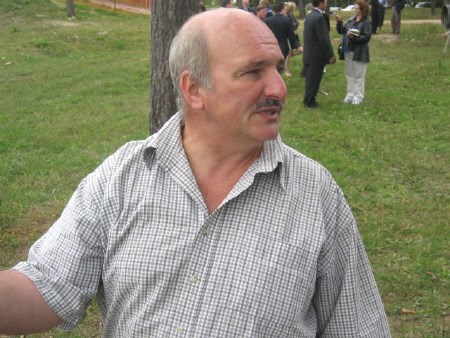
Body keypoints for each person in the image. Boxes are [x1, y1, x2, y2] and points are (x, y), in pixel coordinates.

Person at [0, 8, 391, 337]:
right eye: (253, 72)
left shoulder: (315, 193)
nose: (279, 87)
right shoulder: (123, 175)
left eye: (278, 67)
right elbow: (47, 287)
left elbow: (357, 326)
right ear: (194, 90)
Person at [336, 0, 372, 105]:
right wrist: (339, 23)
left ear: (362, 10)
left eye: (357, 8)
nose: (355, 10)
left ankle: (358, 97)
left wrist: (354, 37)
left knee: (359, 75)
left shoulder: (366, 22)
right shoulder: (351, 20)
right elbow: (343, 31)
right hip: (348, 51)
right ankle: (350, 95)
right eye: (354, 8)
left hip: (359, 52)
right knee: (349, 74)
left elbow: (366, 37)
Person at [302, 0, 336, 108]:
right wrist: (330, 55)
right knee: (314, 79)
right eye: (325, 2)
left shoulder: (310, 15)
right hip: (316, 54)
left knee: (310, 79)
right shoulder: (319, 17)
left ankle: (308, 98)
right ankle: (310, 101)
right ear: (320, 3)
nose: (326, 4)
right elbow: (323, 39)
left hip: (309, 52)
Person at [265, 1, 303, 75]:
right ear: (282, 9)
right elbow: (291, 35)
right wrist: (295, 45)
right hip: (283, 45)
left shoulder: (268, 20)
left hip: (272, 45)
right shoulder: (287, 20)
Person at [284, 2, 302, 76]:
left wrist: (295, 24)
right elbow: (291, 26)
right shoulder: (287, 16)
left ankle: (285, 58)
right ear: (291, 8)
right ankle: (286, 70)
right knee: (289, 51)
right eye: (294, 7)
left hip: (294, 36)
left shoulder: (291, 15)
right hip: (289, 37)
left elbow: (296, 23)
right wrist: (295, 24)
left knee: (300, 50)